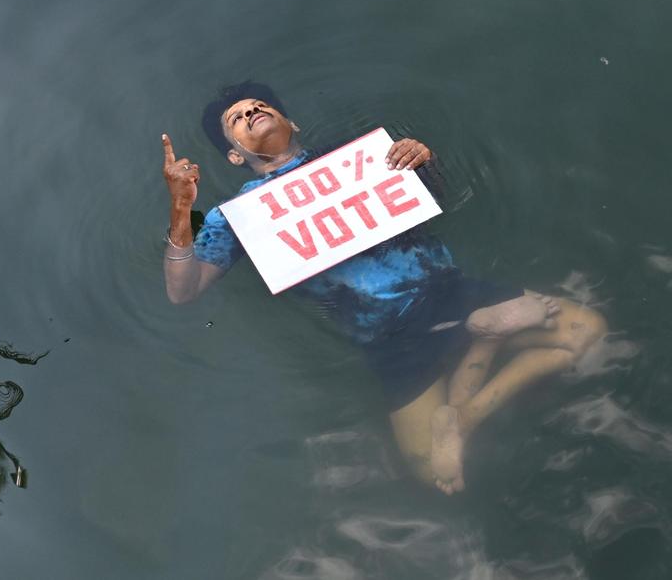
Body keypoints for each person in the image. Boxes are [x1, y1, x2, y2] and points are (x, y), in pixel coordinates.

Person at [161, 82, 607, 494]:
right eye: (238, 118)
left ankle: (472, 377)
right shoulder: (237, 215)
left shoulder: (364, 157)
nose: (253, 111)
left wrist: (424, 160)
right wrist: (182, 212)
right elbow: (184, 290)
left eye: (260, 105)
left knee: (588, 329)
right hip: (386, 337)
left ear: (291, 123)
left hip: (445, 290)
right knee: (436, 474)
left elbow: (439, 199)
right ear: (235, 156)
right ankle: (481, 344)